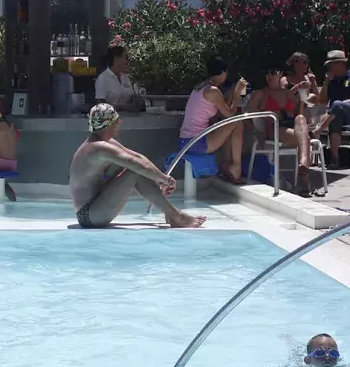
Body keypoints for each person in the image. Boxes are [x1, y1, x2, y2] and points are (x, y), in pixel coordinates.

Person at [69, 104, 206, 229]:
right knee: (134, 171)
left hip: (94, 209)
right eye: (117, 120)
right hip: (89, 216)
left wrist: (161, 178)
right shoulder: (98, 148)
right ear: (109, 124)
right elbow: (136, 164)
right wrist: (164, 180)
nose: (120, 123)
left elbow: (138, 158)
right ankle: (176, 216)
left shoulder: (102, 143)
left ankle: (171, 213)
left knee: (132, 169)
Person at [178, 56, 249, 183]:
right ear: (223, 73)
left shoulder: (200, 86)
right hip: (196, 143)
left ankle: (226, 164)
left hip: (186, 141)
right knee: (237, 122)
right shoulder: (213, 91)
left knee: (228, 127)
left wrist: (230, 96)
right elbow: (231, 116)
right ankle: (236, 168)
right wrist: (237, 93)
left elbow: (221, 117)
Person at [246, 64, 315, 195]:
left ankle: (303, 167)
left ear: (280, 74)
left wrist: (301, 101)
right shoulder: (261, 93)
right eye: (266, 73)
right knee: (305, 140)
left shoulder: (288, 93)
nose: (269, 76)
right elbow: (246, 117)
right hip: (273, 129)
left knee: (300, 119)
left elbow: (297, 115)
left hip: (290, 127)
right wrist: (257, 131)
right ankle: (304, 173)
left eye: (272, 72)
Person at [311, 50, 350, 167]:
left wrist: (343, 103)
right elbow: (322, 101)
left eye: (331, 65)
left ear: (340, 64)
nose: (329, 68)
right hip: (336, 115)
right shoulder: (331, 82)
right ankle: (335, 159)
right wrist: (326, 81)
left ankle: (319, 130)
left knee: (337, 105)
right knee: (335, 118)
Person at [95, 45, 143, 112]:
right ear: (116, 59)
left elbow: (133, 99)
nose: (127, 61)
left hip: (130, 119)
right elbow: (100, 106)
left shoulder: (125, 77)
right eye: (126, 57)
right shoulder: (103, 78)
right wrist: (121, 107)